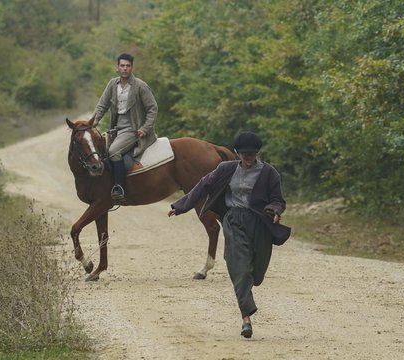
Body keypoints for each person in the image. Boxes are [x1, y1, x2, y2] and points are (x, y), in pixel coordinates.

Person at [167, 131, 291, 339]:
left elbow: (278, 200)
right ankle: (246, 319)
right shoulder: (226, 169)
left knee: (256, 272)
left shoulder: (269, 173)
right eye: (243, 154)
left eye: (251, 154)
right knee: (239, 268)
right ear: (237, 153)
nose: (247, 157)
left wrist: (275, 210)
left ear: (257, 153)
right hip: (233, 220)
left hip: (259, 223)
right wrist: (180, 206)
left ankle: (248, 289)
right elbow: (202, 186)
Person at [91, 53, 158, 200]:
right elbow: (102, 105)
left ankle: (119, 187)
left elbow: (153, 109)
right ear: (117, 67)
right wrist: (92, 122)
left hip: (133, 129)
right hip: (116, 128)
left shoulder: (140, 86)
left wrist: (144, 129)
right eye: (122, 65)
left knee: (114, 151)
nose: (125, 68)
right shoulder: (112, 84)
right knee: (99, 149)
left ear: (132, 67)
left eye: (128, 66)